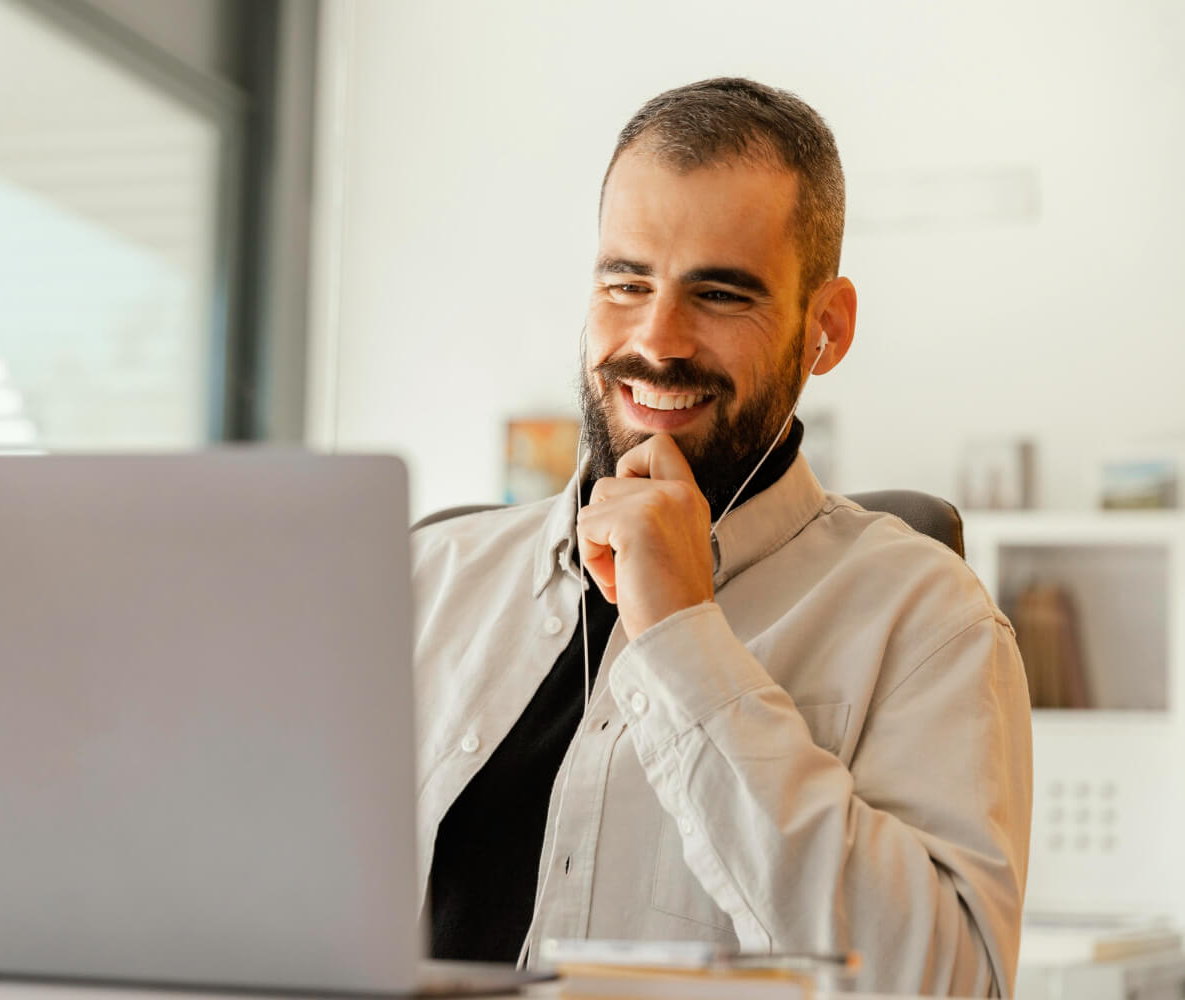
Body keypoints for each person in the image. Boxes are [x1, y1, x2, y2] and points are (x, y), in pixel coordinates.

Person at [411, 78, 1031, 997]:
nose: (658, 341)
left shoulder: (931, 621)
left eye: (720, 294)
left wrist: (683, 639)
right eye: (626, 283)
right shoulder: (426, 581)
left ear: (827, 327)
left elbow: (945, 984)